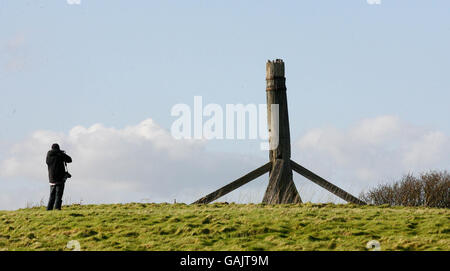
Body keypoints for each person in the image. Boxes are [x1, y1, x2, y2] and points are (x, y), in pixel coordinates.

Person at [46, 143, 72, 210]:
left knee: (52, 196)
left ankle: (49, 209)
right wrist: (61, 153)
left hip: (51, 179)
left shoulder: (48, 156)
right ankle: (57, 209)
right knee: (58, 196)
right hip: (60, 179)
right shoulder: (60, 155)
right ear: (58, 148)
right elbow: (69, 160)